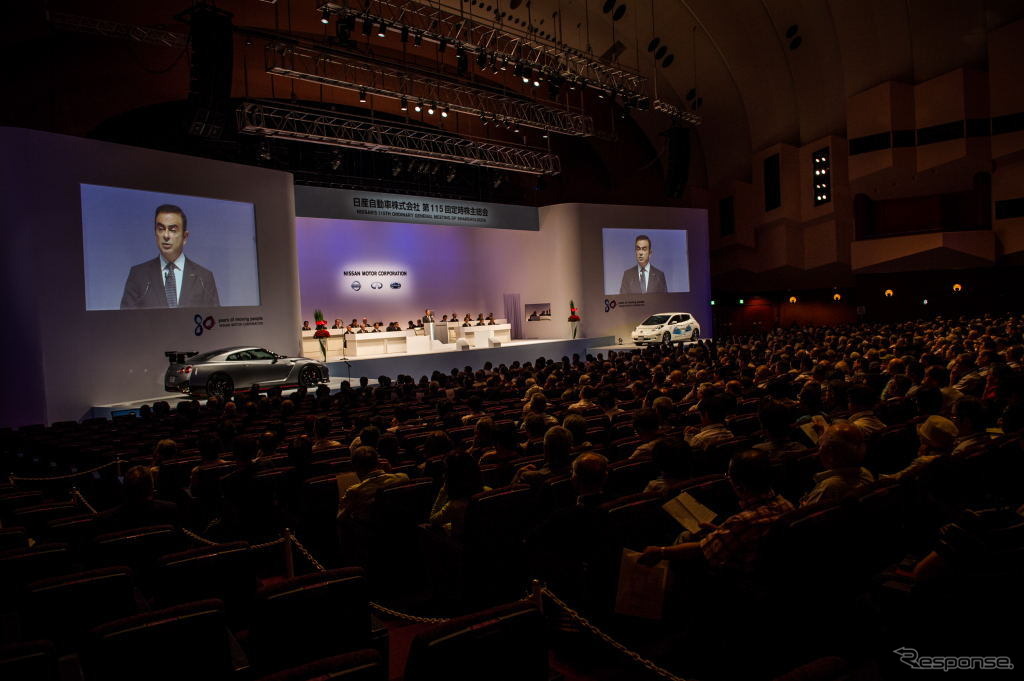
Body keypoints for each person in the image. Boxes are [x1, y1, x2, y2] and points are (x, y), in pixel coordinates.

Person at [638, 449, 793, 575]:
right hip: (771, 573)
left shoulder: (743, 521)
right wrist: (720, 532)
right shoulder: (787, 506)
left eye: (729, 477)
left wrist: (661, 551)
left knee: (685, 538)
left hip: (739, 580)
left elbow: (702, 549)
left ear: (740, 487)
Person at [120, 204, 220, 309]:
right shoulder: (138, 276)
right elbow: (125, 322)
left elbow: (214, 320)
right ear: (155, 233)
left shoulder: (204, 277)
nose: (166, 235)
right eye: (161, 229)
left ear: (185, 237)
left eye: (172, 230)